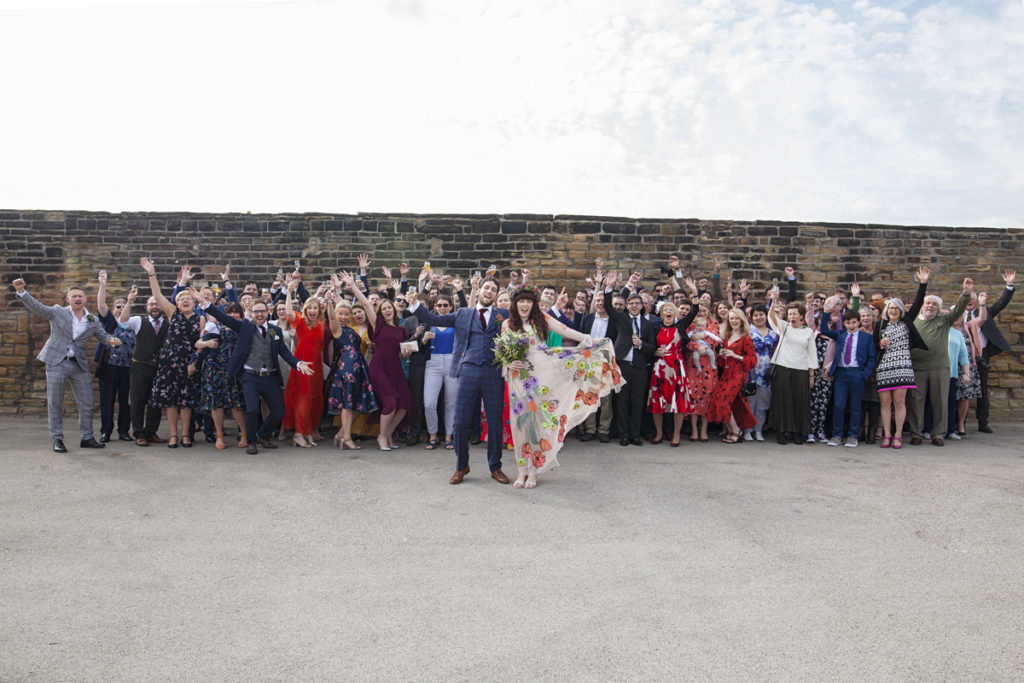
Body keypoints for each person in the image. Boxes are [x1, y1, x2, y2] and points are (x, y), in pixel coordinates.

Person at [500, 286, 622, 488]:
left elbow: (568, 331)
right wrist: (509, 363)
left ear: (533, 304)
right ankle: (521, 470)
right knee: (520, 426)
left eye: (529, 301)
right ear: (515, 303)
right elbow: (502, 352)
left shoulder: (543, 320)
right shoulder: (506, 325)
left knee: (538, 424)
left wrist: (590, 340)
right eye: (521, 301)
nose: (525, 305)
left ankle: (534, 471)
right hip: (518, 380)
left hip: (541, 378)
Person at [404, 277, 512, 485]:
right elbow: (434, 320)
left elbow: (526, 320)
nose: (489, 292)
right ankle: (462, 465)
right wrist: (415, 304)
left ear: (496, 295)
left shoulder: (503, 315)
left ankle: (495, 467)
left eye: (493, 290)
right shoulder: (463, 313)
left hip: (493, 372)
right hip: (468, 371)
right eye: (486, 288)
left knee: (495, 422)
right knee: (460, 421)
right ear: (479, 290)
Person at [190, 285, 315, 455]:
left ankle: (262, 435)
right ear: (252, 312)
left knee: (279, 412)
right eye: (256, 311)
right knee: (252, 410)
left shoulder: (274, 330)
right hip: (250, 376)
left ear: (267, 311)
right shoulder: (244, 327)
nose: (259, 314)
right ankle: (251, 442)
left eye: (262, 311)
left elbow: (284, 353)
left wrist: (299, 364)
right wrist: (204, 302)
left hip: (270, 376)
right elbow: (223, 317)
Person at [11, 277, 121, 452]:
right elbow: (38, 308)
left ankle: (87, 437)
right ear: (68, 299)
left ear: (85, 299)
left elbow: (102, 335)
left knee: (87, 402)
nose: (78, 299)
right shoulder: (57, 312)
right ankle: (57, 439)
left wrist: (112, 340)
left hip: (79, 364)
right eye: (74, 296)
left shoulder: (92, 319)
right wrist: (22, 292)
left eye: (80, 296)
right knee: (55, 402)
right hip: (57, 362)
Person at [341, 272, 416, 452]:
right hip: (380, 365)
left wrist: (407, 352)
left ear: (394, 310)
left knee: (404, 404)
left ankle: (388, 434)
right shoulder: (378, 324)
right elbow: (366, 303)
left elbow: (403, 353)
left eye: (390, 308)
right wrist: (353, 286)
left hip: (395, 366)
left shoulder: (400, 329)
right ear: (381, 312)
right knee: (390, 401)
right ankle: (381, 436)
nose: (388, 310)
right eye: (384, 309)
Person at [141, 258, 203, 448]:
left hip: (187, 363)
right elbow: (157, 295)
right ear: (176, 303)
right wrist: (151, 272)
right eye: (182, 298)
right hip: (169, 362)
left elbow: (199, 345)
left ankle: (185, 435)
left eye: (189, 299)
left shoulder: (200, 319)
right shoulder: (172, 313)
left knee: (185, 401)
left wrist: (193, 363)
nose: (186, 300)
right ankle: (173, 435)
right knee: (170, 400)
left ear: (194, 303)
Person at [907, 276, 972, 446]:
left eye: (934, 304)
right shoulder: (912, 321)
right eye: (928, 303)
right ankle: (916, 433)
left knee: (941, 401)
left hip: (939, 368)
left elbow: (958, 310)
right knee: (915, 401)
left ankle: (938, 434)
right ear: (922, 306)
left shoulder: (943, 321)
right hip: (917, 367)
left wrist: (965, 293)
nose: (930, 306)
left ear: (938, 308)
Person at [874, 268, 929, 449]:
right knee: (885, 404)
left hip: (902, 366)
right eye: (891, 308)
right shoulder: (880, 324)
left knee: (899, 403)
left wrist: (923, 283)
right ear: (886, 310)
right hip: (884, 368)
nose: (894, 311)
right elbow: (874, 345)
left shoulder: (907, 322)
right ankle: (887, 435)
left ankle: (898, 435)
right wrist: (880, 343)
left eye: (897, 308)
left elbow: (918, 302)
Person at [603, 272, 657, 447]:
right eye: (631, 303)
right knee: (622, 403)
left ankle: (635, 434)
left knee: (637, 402)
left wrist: (641, 344)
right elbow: (609, 307)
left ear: (643, 306)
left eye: (637, 303)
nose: (634, 306)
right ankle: (623, 434)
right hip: (623, 366)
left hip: (640, 368)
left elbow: (653, 348)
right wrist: (609, 288)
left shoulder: (648, 325)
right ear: (627, 306)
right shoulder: (621, 319)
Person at [325, 292, 378, 451]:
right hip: (348, 367)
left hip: (358, 366)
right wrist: (329, 303)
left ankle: (341, 434)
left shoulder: (350, 329)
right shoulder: (338, 330)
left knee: (356, 406)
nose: (343, 316)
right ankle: (347, 438)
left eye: (346, 314)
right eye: (340, 313)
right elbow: (332, 319)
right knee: (348, 405)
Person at [117, 287, 169, 446]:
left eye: (158, 304)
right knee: (138, 401)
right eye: (151, 304)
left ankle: (151, 432)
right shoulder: (139, 320)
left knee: (156, 402)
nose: (155, 307)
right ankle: (139, 433)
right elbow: (123, 321)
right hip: (140, 367)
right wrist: (129, 302)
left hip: (159, 368)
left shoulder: (169, 323)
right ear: (147, 307)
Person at [966, 269, 1016, 433]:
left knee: (982, 390)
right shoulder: (957, 315)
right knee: (961, 391)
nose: (970, 302)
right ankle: (959, 423)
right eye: (968, 299)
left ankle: (983, 422)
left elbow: (1001, 304)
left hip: (982, 355)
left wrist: (1009, 285)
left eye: (973, 299)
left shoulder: (984, 313)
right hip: (964, 356)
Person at [818, 309, 876, 447]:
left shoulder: (866, 337)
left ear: (858, 322)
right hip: (842, 373)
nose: (851, 325)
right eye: (848, 322)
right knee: (839, 405)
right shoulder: (841, 334)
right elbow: (824, 329)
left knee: (855, 405)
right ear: (844, 323)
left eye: (854, 322)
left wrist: (865, 374)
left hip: (857, 373)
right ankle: (837, 434)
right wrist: (826, 314)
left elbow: (871, 358)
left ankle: (852, 435)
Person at [766, 299, 819, 444]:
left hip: (801, 370)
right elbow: (771, 317)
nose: (792, 317)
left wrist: (811, 375)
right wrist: (773, 301)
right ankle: (781, 431)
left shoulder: (808, 332)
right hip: (783, 367)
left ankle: (797, 431)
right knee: (783, 401)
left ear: (801, 316)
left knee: (798, 401)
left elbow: (812, 354)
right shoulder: (784, 327)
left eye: (795, 314)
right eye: (789, 314)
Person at [196, 302, 247, 449]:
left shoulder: (243, 327)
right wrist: (207, 344)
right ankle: (219, 435)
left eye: (235, 312)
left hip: (233, 369)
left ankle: (244, 433)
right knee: (215, 403)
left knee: (235, 402)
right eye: (229, 312)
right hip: (215, 369)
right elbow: (198, 343)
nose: (232, 315)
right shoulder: (215, 327)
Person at [281, 280, 326, 448]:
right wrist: (288, 291)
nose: (313, 311)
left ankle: (307, 431)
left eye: (316, 308)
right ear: (306, 310)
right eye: (310, 308)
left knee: (314, 400)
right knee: (303, 399)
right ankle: (298, 434)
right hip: (303, 363)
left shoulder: (321, 324)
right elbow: (288, 312)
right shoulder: (300, 321)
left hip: (316, 366)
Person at [647, 301, 697, 446]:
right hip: (660, 367)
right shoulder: (655, 328)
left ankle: (676, 434)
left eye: (671, 310)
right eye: (665, 310)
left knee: (678, 401)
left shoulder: (680, 326)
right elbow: (650, 346)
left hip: (676, 366)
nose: (668, 312)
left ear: (674, 314)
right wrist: (655, 352)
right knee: (657, 400)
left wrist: (694, 294)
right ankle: (659, 433)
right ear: (661, 314)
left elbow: (693, 312)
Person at [706, 308, 758, 443]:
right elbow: (722, 363)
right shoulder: (727, 337)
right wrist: (721, 355)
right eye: (731, 319)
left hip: (738, 375)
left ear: (741, 320)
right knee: (717, 400)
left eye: (736, 318)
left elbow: (752, 360)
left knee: (723, 401)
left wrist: (737, 356)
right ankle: (731, 429)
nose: (734, 321)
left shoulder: (746, 338)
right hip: (727, 374)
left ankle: (736, 430)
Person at [95, 271, 135, 442]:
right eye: (117, 306)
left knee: (125, 402)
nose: (120, 309)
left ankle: (124, 431)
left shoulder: (133, 324)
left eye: (123, 306)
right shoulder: (109, 321)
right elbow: (101, 305)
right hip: (109, 366)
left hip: (127, 367)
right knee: (107, 400)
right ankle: (106, 431)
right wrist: (102, 285)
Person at [420, 296, 459, 450]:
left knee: (451, 403)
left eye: (445, 305)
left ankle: (449, 436)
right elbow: (421, 350)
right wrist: (423, 340)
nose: (442, 308)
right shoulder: (429, 323)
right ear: (435, 306)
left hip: (452, 362)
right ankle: (433, 435)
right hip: (433, 363)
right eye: (439, 305)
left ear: (450, 307)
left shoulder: (456, 322)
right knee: (429, 403)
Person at [744, 305, 778, 441]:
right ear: (751, 318)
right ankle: (747, 430)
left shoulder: (773, 334)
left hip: (766, 373)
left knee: (763, 404)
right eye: (756, 315)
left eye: (761, 314)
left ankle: (758, 430)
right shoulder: (748, 332)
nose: (759, 317)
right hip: (750, 372)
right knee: (750, 401)